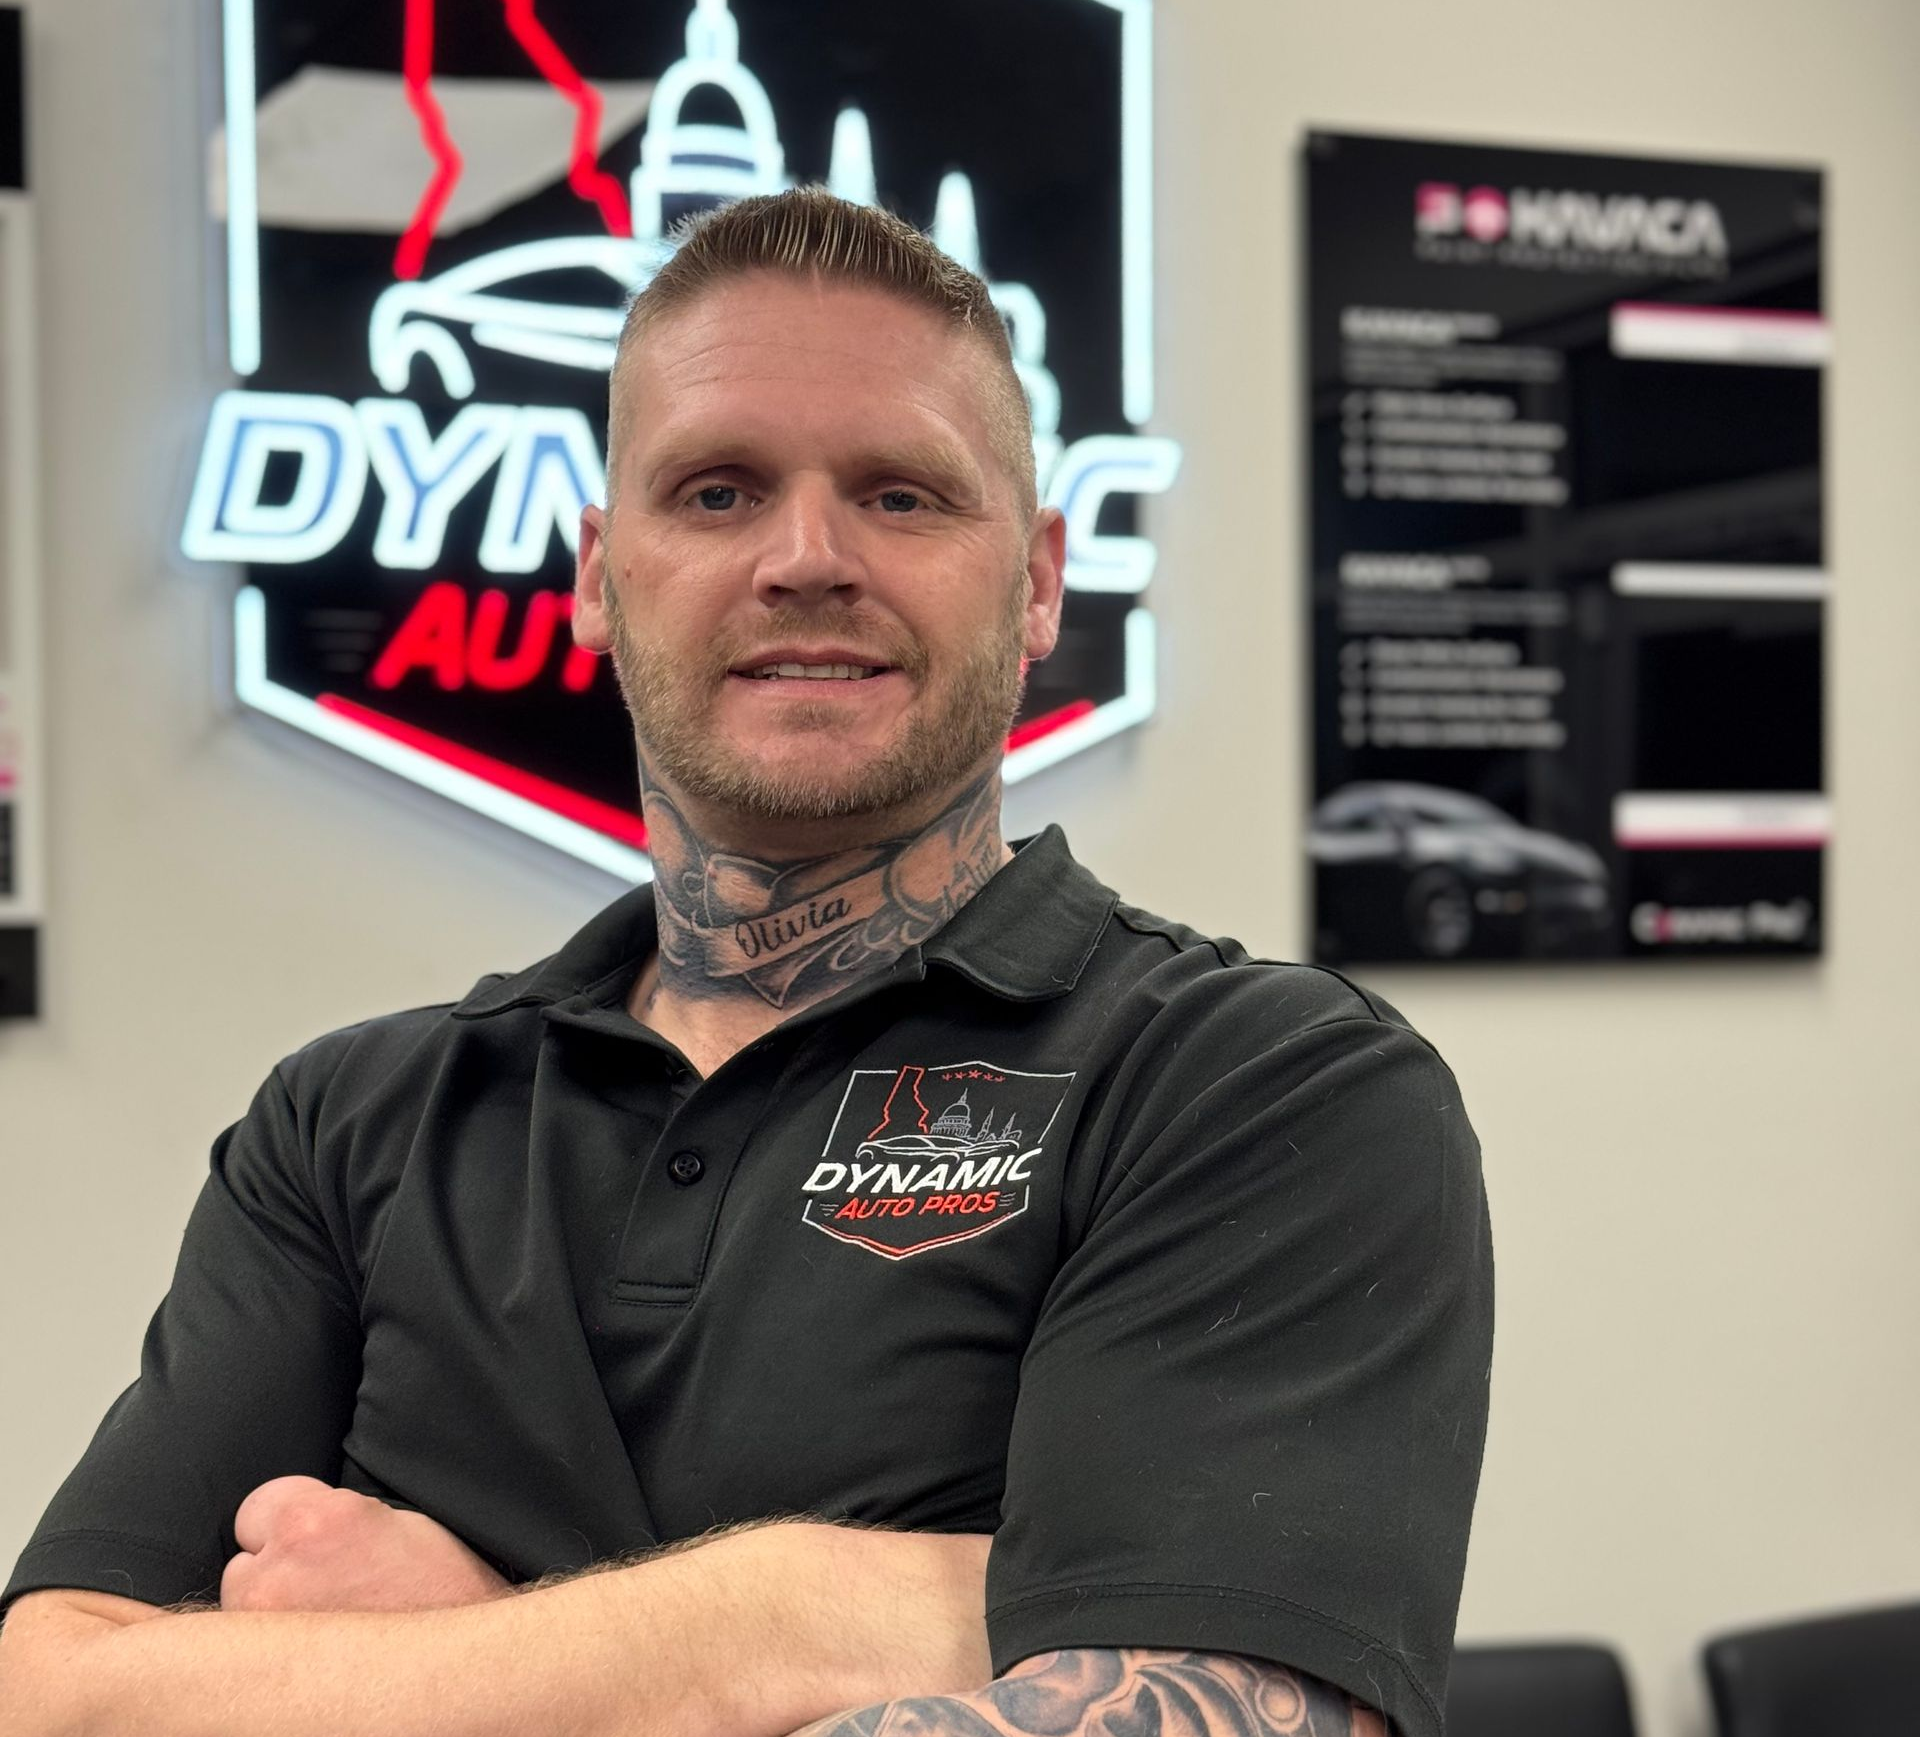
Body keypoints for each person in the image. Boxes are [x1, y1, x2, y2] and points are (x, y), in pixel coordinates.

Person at [0, 190, 1492, 1737]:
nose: (806, 557)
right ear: (595, 570)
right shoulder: (350, 1124)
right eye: (715, 491)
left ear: (1041, 579)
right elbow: (60, 1696)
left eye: (904, 494)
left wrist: (451, 1660)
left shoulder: (1263, 1088)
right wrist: (776, 1616)